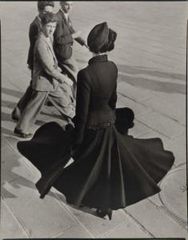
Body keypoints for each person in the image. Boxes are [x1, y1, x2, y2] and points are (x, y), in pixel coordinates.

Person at [17, 22, 174, 220]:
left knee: (87, 165)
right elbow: (113, 100)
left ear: (90, 46)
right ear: (106, 46)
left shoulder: (85, 74)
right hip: (108, 124)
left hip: (91, 128)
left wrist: (77, 139)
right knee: (103, 168)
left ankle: (89, 199)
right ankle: (104, 206)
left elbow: (82, 113)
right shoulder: (113, 68)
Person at [14, 12, 74, 138]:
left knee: (60, 100)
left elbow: (52, 61)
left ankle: (73, 118)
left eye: (53, 26)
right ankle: (21, 128)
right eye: (49, 26)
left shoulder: (48, 38)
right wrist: (64, 78)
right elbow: (49, 69)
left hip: (49, 81)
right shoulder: (40, 42)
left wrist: (59, 72)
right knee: (34, 107)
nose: (51, 29)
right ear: (42, 26)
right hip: (44, 82)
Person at [12, 1, 55, 121]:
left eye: (51, 12)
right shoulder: (36, 25)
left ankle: (18, 110)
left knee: (33, 86)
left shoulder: (42, 22)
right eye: (46, 12)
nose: (49, 14)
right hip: (37, 62)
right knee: (35, 88)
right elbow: (40, 46)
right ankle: (21, 112)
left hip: (39, 61)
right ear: (39, 10)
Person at [54, 1, 88, 100]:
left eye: (71, 4)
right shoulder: (58, 18)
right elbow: (58, 40)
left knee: (61, 78)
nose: (69, 7)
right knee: (76, 75)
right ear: (61, 4)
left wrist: (82, 41)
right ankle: (76, 102)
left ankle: (56, 97)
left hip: (65, 51)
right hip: (63, 54)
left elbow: (70, 29)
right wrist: (73, 36)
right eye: (67, 4)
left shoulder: (64, 15)